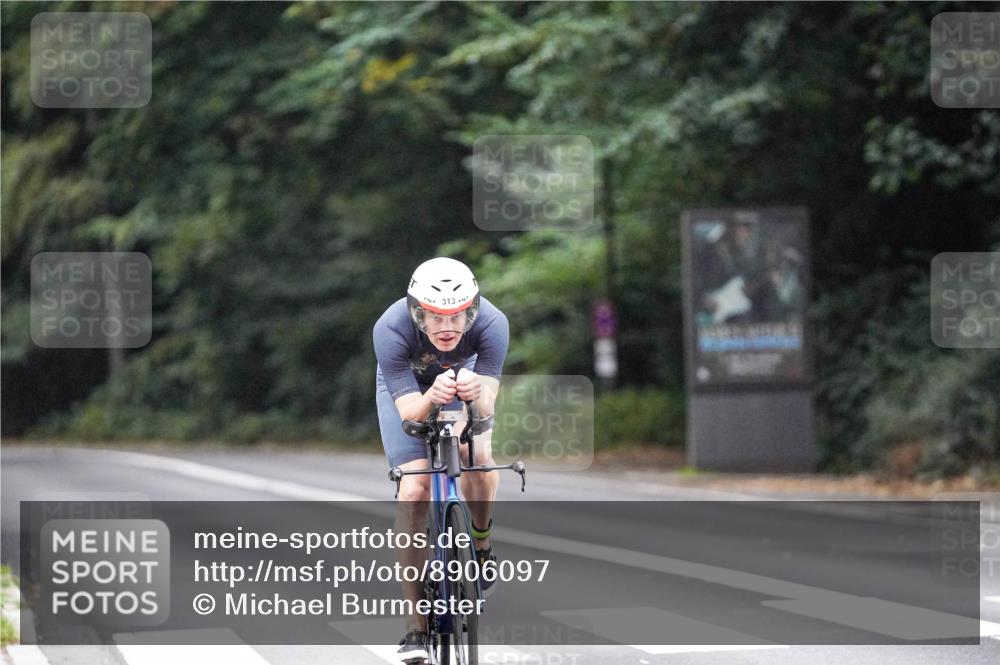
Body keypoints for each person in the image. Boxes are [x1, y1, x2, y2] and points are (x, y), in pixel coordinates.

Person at [373, 257, 509, 662]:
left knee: (479, 458)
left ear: (471, 311)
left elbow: (486, 406)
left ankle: (481, 546)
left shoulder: (492, 324)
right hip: (408, 389)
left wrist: (473, 392)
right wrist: (432, 397)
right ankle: (414, 625)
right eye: (435, 318)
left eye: (457, 317)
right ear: (418, 313)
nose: (447, 328)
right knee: (414, 491)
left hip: (465, 375)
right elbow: (411, 414)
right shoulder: (390, 328)